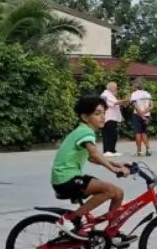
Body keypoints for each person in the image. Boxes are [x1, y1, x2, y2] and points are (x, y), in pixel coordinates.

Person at [51, 95, 132, 240]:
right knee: (110, 191)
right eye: (97, 113)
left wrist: (116, 163)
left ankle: (111, 232)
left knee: (118, 193)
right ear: (85, 117)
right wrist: (114, 170)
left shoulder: (83, 131)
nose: (102, 117)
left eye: (104, 113)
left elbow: (92, 157)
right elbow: (94, 153)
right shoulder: (85, 132)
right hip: (66, 180)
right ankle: (70, 219)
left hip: (70, 178)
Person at [128, 80, 153, 157]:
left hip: (137, 115)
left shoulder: (134, 94)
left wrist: (141, 114)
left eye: (132, 86)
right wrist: (145, 113)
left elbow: (135, 106)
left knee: (138, 133)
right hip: (147, 115)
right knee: (144, 132)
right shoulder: (147, 93)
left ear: (135, 86)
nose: (132, 87)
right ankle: (148, 149)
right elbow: (151, 106)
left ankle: (139, 151)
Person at [100, 81, 122, 157]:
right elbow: (115, 102)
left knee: (113, 135)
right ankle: (106, 151)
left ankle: (112, 150)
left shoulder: (110, 94)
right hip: (108, 118)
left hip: (112, 118)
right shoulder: (105, 94)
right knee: (108, 135)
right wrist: (124, 101)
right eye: (116, 88)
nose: (117, 89)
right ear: (111, 88)